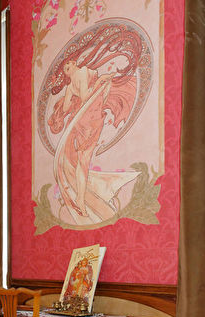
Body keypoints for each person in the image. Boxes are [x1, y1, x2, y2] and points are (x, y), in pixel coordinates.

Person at [48, 35, 138, 221]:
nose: (67, 71)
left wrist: (100, 84)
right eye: (64, 69)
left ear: (74, 63)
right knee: (82, 161)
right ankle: (81, 199)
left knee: (83, 163)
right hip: (85, 122)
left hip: (91, 119)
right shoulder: (71, 86)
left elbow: (87, 98)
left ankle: (80, 199)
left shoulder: (83, 73)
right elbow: (75, 102)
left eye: (68, 66)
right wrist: (58, 113)